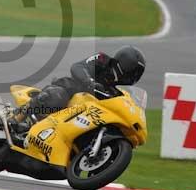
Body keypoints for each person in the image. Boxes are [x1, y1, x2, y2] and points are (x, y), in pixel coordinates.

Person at [11, 46, 146, 132]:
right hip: (70, 89)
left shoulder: (115, 90)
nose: (134, 76)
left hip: (84, 112)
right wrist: (89, 81)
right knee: (57, 97)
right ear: (126, 63)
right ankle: (16, 118)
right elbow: (78, 67)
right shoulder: (103, 59)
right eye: (134, 71)